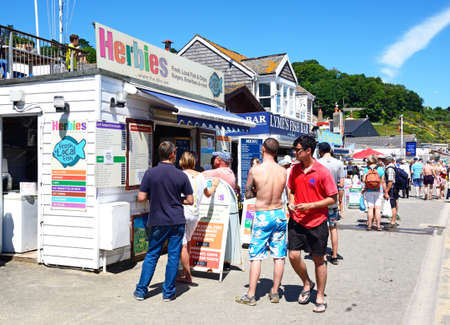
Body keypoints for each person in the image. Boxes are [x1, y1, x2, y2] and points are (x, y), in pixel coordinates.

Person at [134, 141, 194, 301]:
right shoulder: (181, 175)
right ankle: (168, 293)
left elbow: (141, 197)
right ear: (173, 154)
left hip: (158, 220)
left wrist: (155, 197)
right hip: (176, 220)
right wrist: (176, 199)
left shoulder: (150, 173)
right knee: (173, 256)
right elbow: (190, 200)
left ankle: (141, 291)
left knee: (152, 255)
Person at [288, 135, 338, 313]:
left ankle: (320, 295)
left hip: (317, 222)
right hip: (296, 220)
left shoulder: (322, 171)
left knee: (319, 259)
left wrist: (311, 205)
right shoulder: (294, 170)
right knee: (293, 256)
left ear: (308, 151)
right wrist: (290, 202)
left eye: (298, 150)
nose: (295, 152)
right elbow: (291, 190)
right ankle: (307, 282)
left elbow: (332, 198)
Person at [235, 138, 287, 306]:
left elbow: (248, 194)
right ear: (277, 152)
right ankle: (274, 291)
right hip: (279, 213)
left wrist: (257, 190)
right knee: (279, 255)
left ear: (263, 149)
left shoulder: (255, 170)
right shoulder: (283, 171)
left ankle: (251, 295)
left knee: (256, 255)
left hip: (263, 214)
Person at [177, 152, 219, 284]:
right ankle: (185, 272)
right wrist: (214, 185)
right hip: (195, 214)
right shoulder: (201, 176)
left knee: (182, 245)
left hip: (182, 212)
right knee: (188, 242)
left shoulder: (180, 175)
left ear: (182, 161)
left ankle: (187, 275)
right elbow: (207, 193)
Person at [318, 143, 345, 265]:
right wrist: (340, 202)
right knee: (333, 228)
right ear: (330, 149)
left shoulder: (318, 163)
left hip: (321, 201)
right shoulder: (339, 163)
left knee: (321, 229)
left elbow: (314, 181)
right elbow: (341, 184)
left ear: (320, 151)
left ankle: (322, 254)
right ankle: (334, 255)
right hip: (333, 200)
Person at [362, 155, 387, 231]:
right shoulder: (380, 169)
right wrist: (386, 192)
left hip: (368, 190)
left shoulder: (366, 169)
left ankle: (369, 226)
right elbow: (383, 182)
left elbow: (363, 180)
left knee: (370, 208)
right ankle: (378, 226)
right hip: (378, 190)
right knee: (378, 209)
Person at [384, 156, 399, 229]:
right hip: (395, 188)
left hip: (392, 188)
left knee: (393, 205)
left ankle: (393, 221)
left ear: (387, 161)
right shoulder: (394, 167)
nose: (384, 161)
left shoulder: (389, 168)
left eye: (385, 160)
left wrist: (386, 191)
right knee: (395, 203)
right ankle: (394, 219)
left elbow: (390, 181)